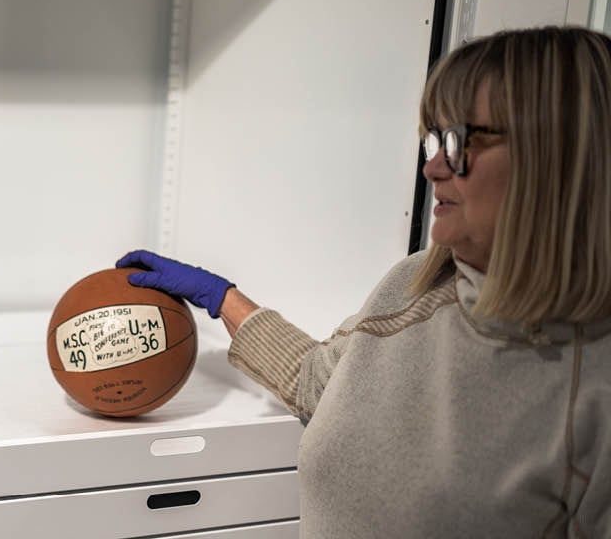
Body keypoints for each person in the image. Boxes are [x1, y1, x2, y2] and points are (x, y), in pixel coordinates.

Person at [117, 26, 611, 536]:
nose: (433, 168)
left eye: (460, 141)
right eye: (434, 141)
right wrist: (224, 298)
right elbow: (320, 380)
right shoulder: (412, 287)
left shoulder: (593, 391)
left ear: (559, 155)